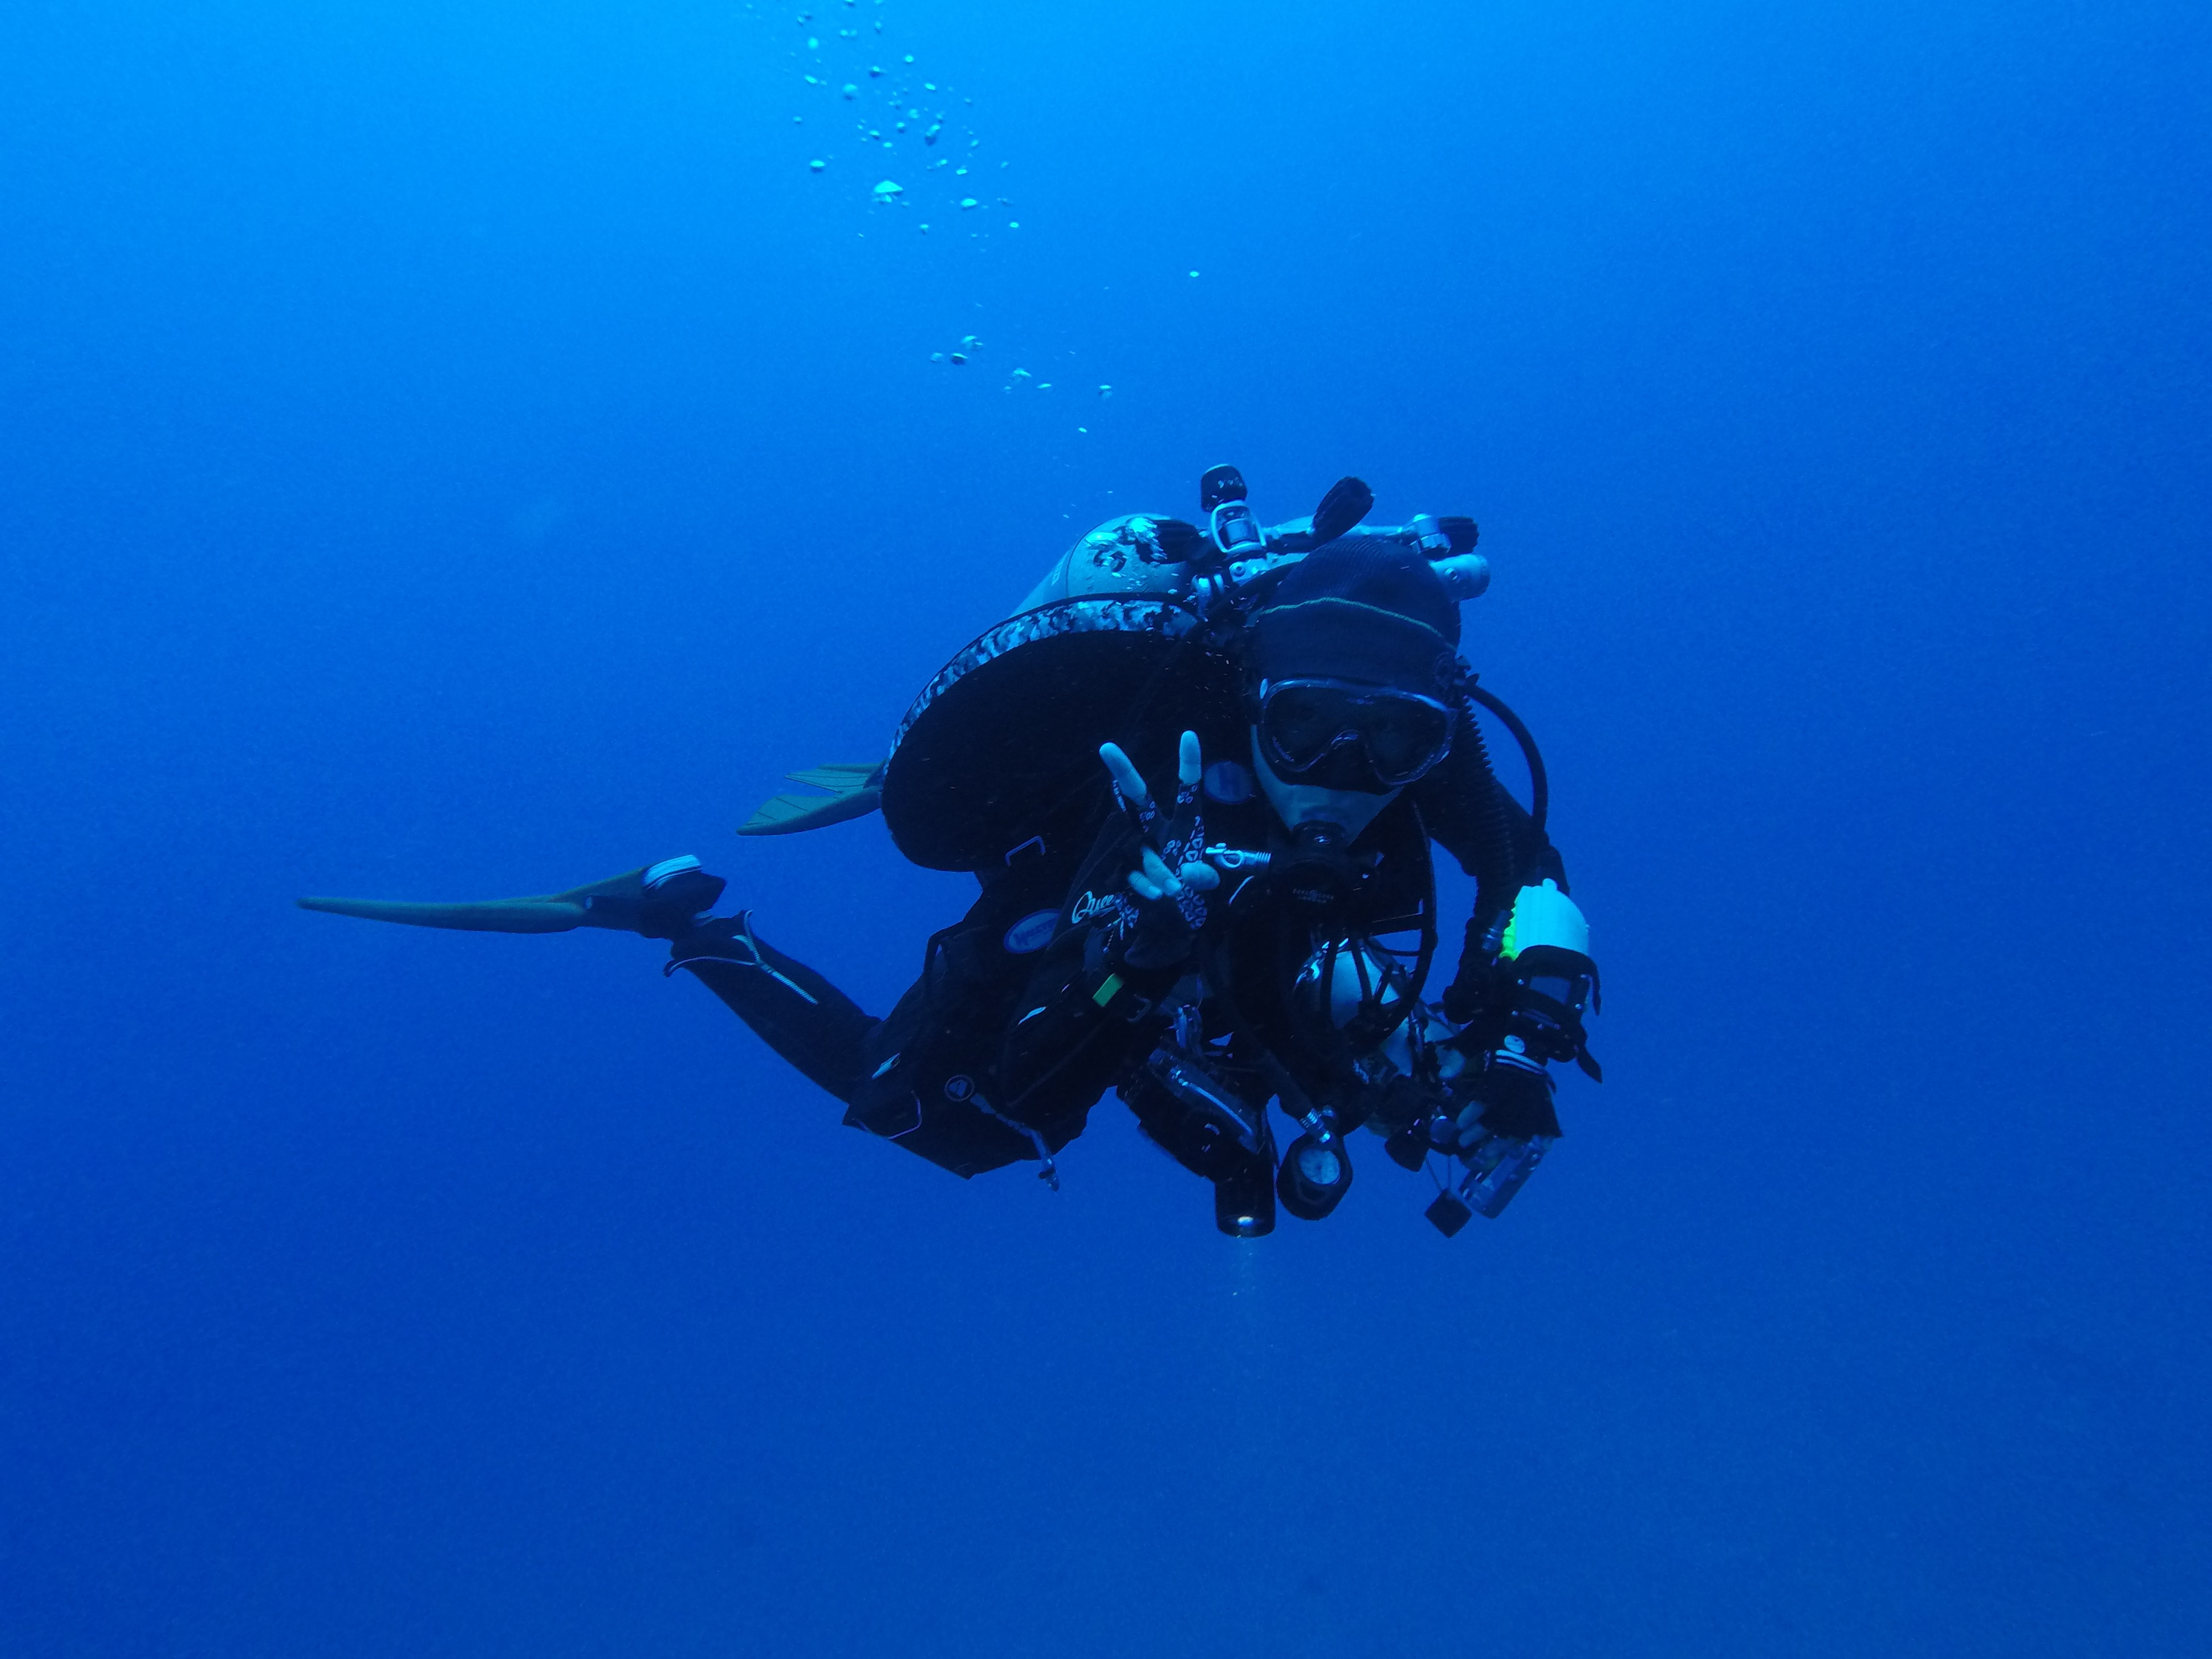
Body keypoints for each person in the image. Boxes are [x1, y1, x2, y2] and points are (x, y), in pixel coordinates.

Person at [302, 467, 1600, 1235]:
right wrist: (1138, 957)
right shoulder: (1174, 724)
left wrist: (1521, 1042)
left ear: (1438, 728)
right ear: (1252, 695)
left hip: (1259, 940)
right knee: (939, 1118)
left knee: (1338, 1049)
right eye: (1307, 731)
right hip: (1091, 858)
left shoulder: (1428, 740)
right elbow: (1044, 1059)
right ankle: (684, 919)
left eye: (1395, 745)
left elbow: (1525, 870)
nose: (1344, 774)